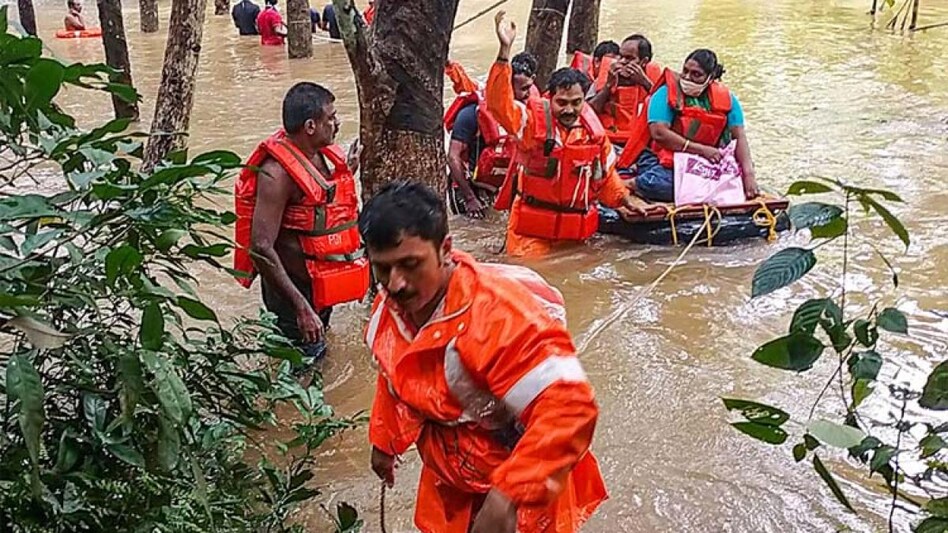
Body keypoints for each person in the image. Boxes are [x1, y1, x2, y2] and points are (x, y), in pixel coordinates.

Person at [361, 181, 607, 533]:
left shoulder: (497, 317)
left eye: (410, 264)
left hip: (520, 476)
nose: (396, 284)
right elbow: (394, 374)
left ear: (445, 249)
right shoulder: (390, 308)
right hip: (452, 478)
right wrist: (385, 442)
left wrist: (506, 497)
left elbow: (571, 408)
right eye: (383, 269)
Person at [486, 12, 640, 257]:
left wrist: (626, 201)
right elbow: (498, 105)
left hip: (574, 232)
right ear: (550, 98)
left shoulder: (594, 133)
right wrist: (504, 52)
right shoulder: (531, 123)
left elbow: (605, 176)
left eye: (576, 102)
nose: (569, 109)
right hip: (531, 233)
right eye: (562, 102)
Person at [233, 83, 368, 363]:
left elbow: (318, 200)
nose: (337, 123)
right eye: (331, 117)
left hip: (318, 283)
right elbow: (260, 247)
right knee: (302, 367)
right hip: (291, 293)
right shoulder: (276, 175)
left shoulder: (318, 154)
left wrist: (349, 170)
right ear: (310, 126)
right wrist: (301, 308)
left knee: (321, 358)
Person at [630, 48, 760, 202]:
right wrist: (702, 150)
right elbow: (659, 133)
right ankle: (633, 184)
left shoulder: (728, 100)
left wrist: (749, 175)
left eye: (696, 74)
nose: (687, 77)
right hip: (662, 159)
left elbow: (739, 137)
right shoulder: (664, 93)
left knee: (730, 185)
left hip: (705, 162)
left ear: (710, 78)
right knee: (665, 185)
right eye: (685, 71)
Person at [444, 52, 537, 218]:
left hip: (498, 187)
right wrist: (470, 198)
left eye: (529, 87)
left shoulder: (526, 113)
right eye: (523, 89)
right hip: (467, 186)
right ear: (507, 87)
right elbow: (452, 157)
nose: (528, 94)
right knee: (471, 229)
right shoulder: (471, 114)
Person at [587, 34, 662, 150]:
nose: (622, 61)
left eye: (629, 58)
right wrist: (608, 87)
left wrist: (645, 83)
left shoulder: (655, 81)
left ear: (644, 61)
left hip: (641, 144)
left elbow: (666, 113)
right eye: (620, 56)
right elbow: (587, 113)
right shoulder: (606, 77)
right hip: (607, 141)